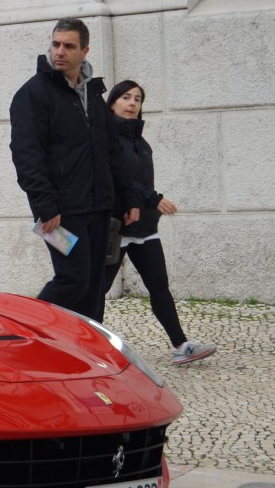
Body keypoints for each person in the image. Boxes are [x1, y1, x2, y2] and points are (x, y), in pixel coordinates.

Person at [9, 18, 164, 321]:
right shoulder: (33, 94)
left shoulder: (93, 95)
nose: (60, 52)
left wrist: (130, 198)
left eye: (68, 46)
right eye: (55, 44)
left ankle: (85, 352)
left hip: (99, 207)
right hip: (60, 212)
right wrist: (45, 205)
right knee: (73, 279)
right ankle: (29, 332)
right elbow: (26, 155)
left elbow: (112, 152)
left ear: (85, 50)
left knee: (93, 287)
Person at [102, 80, 217, 365]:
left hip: (143, 227)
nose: (132, 103)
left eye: (137, 99)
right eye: (125, 97)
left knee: (159, 287)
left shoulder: (140, 141)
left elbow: (139, 181)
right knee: (95, 291)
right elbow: (120, 180)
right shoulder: (105, 139)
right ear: (113, 102)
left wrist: (148, 206)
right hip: (114, 227)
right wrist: (153, 198)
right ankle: (89, 349)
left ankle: (181, 345)